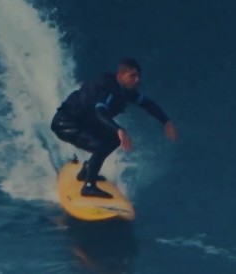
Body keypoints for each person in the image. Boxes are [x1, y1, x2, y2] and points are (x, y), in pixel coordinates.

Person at [50, 57, 177, 198]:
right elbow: (100, 109)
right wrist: (119, 129)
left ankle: (86, 171)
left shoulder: (126, 91)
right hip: (66, 124)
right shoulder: (110, 89)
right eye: (132, 76)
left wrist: (166, 121)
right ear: (120, 75)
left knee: (113, 140)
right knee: (101, 145)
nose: (137, 80)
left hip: (83, 123)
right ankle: (88, 187)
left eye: (138, 76)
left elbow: (148, 104)